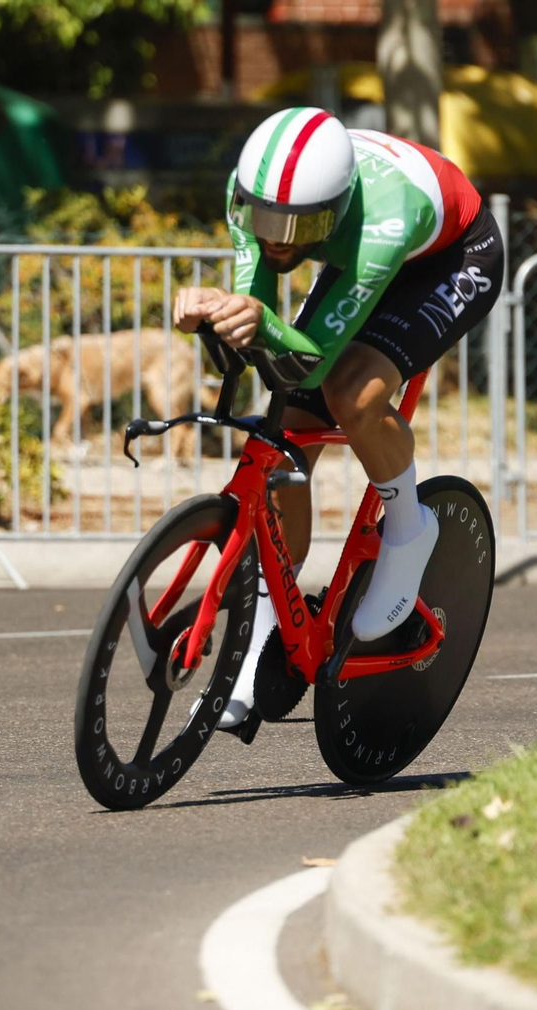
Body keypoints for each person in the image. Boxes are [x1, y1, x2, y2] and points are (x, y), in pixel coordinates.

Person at [171, 107, 502, 730]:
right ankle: (264, 629)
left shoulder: (381, 221)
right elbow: (259, 313)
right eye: (263, 220)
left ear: (332, 212)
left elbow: (313, 362)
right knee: (283, 434)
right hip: (360, 247)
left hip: (451, 257)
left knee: (351, 392)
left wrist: (255, 321)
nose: (275, 238)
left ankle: (409, 527)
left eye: (295, 228)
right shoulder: (255, 197)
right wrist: (219, 311)